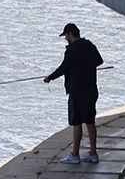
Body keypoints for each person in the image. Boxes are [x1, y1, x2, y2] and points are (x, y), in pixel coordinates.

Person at [44, 23, 105, 164]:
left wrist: (49, 78)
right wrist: (85, 66)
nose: (65, 38)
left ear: (71, 33)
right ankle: (93, 154)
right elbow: (99, 61)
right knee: (90, 121)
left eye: (66, 35)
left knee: (76, 122)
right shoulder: (89, 45)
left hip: (77, 91)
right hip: (91, 89)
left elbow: (63, 68)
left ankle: (75, 155)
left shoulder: (72, 50)